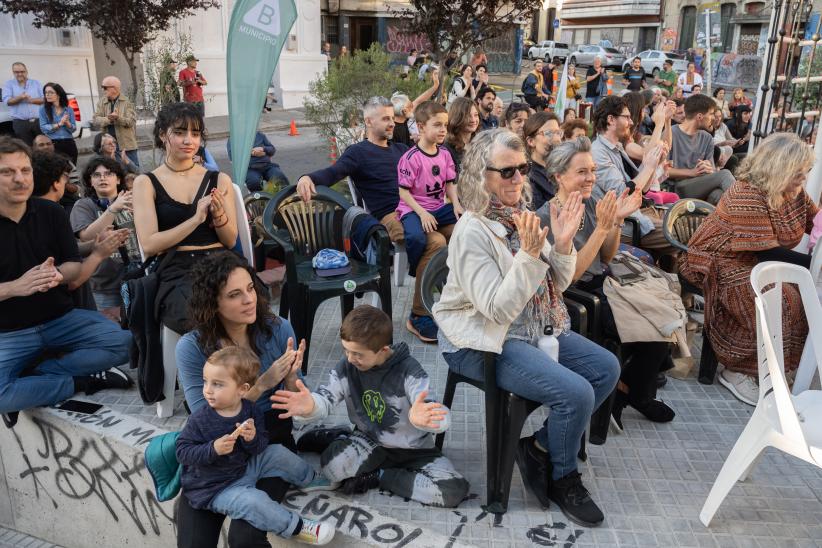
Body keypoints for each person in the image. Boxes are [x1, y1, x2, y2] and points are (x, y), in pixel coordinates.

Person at [433, 129, 619, 526]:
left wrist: (564, 244)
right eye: (507, 172)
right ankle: (562, 475)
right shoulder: (472, 231)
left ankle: (537, 447)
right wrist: (531, 256)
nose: (518, 179)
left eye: (522, 169)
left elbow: (559, 283)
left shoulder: (520, 218)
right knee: (576, 393)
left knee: (606, 368)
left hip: (529, 327)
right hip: (479, 340)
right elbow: (496, 310)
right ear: (480, 176)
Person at [272, 305, 470, 506]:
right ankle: (340, 436)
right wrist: (312, 406)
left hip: (416, 451)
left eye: (358, 354)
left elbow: (438, 414)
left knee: (452, 491)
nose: (350, 358)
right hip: (369, 440)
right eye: (346, 350)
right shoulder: (347, 366)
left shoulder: (410, 370)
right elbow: (325, 399)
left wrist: (424, 419)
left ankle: (379, 476)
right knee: (333, 470)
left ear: (383, 350)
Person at [539, 138, 675, 428]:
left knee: (666, 316)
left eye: (592, 170)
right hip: (576, 295)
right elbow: (571, 274)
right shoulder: (548, 216)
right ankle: (634, 393)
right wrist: (602, 228)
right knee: (653, 327)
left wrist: (614, 221)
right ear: (559, 176)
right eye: (582, 172)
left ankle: (629, 389)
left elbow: (606, 256)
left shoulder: (588, 203)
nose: (591, 178)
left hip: (603, 282)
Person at [681, 133, 818, 406]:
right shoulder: (747, 193)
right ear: (779, 169)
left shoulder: (793, 193)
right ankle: (736, 370)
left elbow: (817, 221)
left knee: (803, 296)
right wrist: (815, 267)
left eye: (807, 173)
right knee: (780, 298)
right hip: (718, 261)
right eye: (799, 173)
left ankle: (773, 368)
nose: (804, 179)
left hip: (753, 260)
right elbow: (766, 251)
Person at [0, 137, 132, 418]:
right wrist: (14, 287)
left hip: (60, 319)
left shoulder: (51, 212)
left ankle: (39, 373)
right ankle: (77, 381)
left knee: (125, 344)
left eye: (25, 170)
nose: (19, 179)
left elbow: (73, 267)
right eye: (7, 172)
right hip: (10, 332)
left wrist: (56, 274)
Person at [176, 346, 336, 546]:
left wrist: (252, 439)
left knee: (277, 452)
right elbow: (182, 451)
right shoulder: (200, 418)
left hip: (242, 467)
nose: (208, 390)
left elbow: (260, 446)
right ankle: (296, 527)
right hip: (215, 488)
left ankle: (309, 479)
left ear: (243, 389)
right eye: (205, 381)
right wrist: (213, 448)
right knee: (253, 501)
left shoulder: (250, 410)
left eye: (217, 384)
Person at [133, 102, 238, 334]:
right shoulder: (146, 183)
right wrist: (195, 220)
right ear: (163, 135)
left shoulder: (218, 179)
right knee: (198, 318)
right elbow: (149, 245)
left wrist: (219, 215)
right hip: (177, 268)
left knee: (253, 311)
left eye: (195, 134)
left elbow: (230, 241)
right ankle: (210, 370)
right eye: (179, 133)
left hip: (221, 260)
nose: (188, 140)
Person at [396, 101, 460, 342]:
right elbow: (403, 193)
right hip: (413, 209)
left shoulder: (445, 153)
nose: (443, 130)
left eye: (445, 125)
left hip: (438, 208)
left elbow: (450, 185)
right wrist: (421, 213)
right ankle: (416, 272)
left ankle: (455, 297)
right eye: (437, 125)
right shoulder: (410, 157)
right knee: (415, 236)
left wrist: (456, 204)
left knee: (465, 226)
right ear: (421, 127)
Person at [590, 96, 673, 252]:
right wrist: (648, 166)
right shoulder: (598, 152)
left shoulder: (617, 147)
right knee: (683, 235)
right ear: (611, 120)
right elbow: (625, 194)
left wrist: (654, 163)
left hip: (637, 216)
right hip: (625, 224)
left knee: (689, 225)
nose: (632, 122)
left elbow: (644, 189)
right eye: (626, 117)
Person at [70, 157, 139, 322]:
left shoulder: (134, 199)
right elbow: (86, 235)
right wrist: (113, 209)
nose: (102, 178)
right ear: (90, 182)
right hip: (105, 287)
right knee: (113, 330)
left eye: (108, 173)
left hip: (138, 279)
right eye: (96, 175)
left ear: (118, 179)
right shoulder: (84, 205)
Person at [666, 94, 735, 205]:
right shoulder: (671, 133)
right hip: (677, 187)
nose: (714, 118)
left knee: (718, 195)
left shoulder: (707, 137)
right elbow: (663, 170)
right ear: (699, 117)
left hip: (700, 185)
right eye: (711, 114)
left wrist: (708, 168)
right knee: (725, 174)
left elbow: (711, 171)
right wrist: (692, 173)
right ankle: (745, 207)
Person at [93, 76, 140, 168]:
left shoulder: (127, 102)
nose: (103, 90)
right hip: (108, 147)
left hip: (126, 145)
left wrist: (118, 118)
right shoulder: (102, 102)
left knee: (133, 171)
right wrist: (109, 119)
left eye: (105, 87)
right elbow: (95, 120)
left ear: (114, 88)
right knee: (113, 172)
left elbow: (131, 121)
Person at [523, 112, 563, 210]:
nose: (557, 139)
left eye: (558, 133)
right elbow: (539, 215)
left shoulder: (562, 168)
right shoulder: (528, 177)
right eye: (548, 133)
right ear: (531, 141)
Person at [389, 70, 440, 147]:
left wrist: (435, 86)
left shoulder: (402, 120)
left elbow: (419, 101)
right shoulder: (394, 130)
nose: (412, 106)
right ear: (404, 111)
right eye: (410, 105)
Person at [33, 134, 81, 212]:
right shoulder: (28, 165)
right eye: (41, 145)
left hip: (66, 202)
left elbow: (78, 189)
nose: (46, 147)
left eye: (48, 144)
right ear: (34, 147)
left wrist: (62, 181)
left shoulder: (66, 163)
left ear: (53, 145)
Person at [2, 62, 43, 145]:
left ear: (26, 71)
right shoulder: (8, 84)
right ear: (13, 72)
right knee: (26, 147)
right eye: (16, 72)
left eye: (22, 71)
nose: (20, 74)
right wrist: (20, 97)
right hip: (20, 123)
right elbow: (7, 101)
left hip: (38, 121)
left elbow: (44, 99)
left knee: (42, 146)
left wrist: (31, 100)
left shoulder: (36, 83)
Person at [38, 83, 77, 164]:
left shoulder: (68, 109)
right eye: (46, 93)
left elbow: (73, 129)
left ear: (58, 94)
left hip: (69, 142)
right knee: (57, 170)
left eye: (50, 92)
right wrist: (59, 124)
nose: (47, 95)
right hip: (53, 143)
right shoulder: (43, 109)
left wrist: (67, 123)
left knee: (72, 169)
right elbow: (43, 127)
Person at [443, 97, 480, 172]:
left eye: (476, 115)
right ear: (457, 117)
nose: (473, 120)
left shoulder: (480, 143)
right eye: (468, 115)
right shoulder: (446, 148)